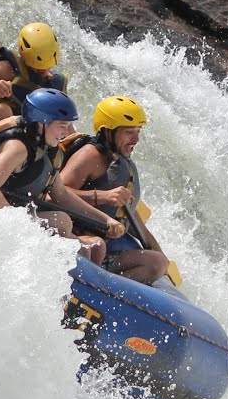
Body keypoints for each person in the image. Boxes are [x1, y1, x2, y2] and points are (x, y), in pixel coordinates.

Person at [0, 88, 123, 262]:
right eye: (62, 126)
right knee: (63, 223)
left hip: (20, 215)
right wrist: (15, 225)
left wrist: (106, 220)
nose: (67, 133)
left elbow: (61, 194)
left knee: (93, 248)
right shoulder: (17, 149)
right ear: (41, 123)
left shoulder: (50, 151)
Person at [59, 96, 178, 289]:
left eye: (138, 132)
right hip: (76, 239)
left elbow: (132, 219)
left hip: (102, 247)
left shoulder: (119, 162)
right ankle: (92, 293)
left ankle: (105, 291)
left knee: (156, 262)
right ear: (108, 131)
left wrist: (161, 255)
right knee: (97, 245)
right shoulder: (90, 156)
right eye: (129, 132)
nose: (136, 139)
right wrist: (100, 196)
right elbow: (54, 193)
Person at [0, 21, 67, 124]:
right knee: (2, 110)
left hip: (26, 132)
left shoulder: (57, 85)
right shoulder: (8, 69)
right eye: (38, 68)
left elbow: (65, 122)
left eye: (47, 67)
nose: (44, 71)